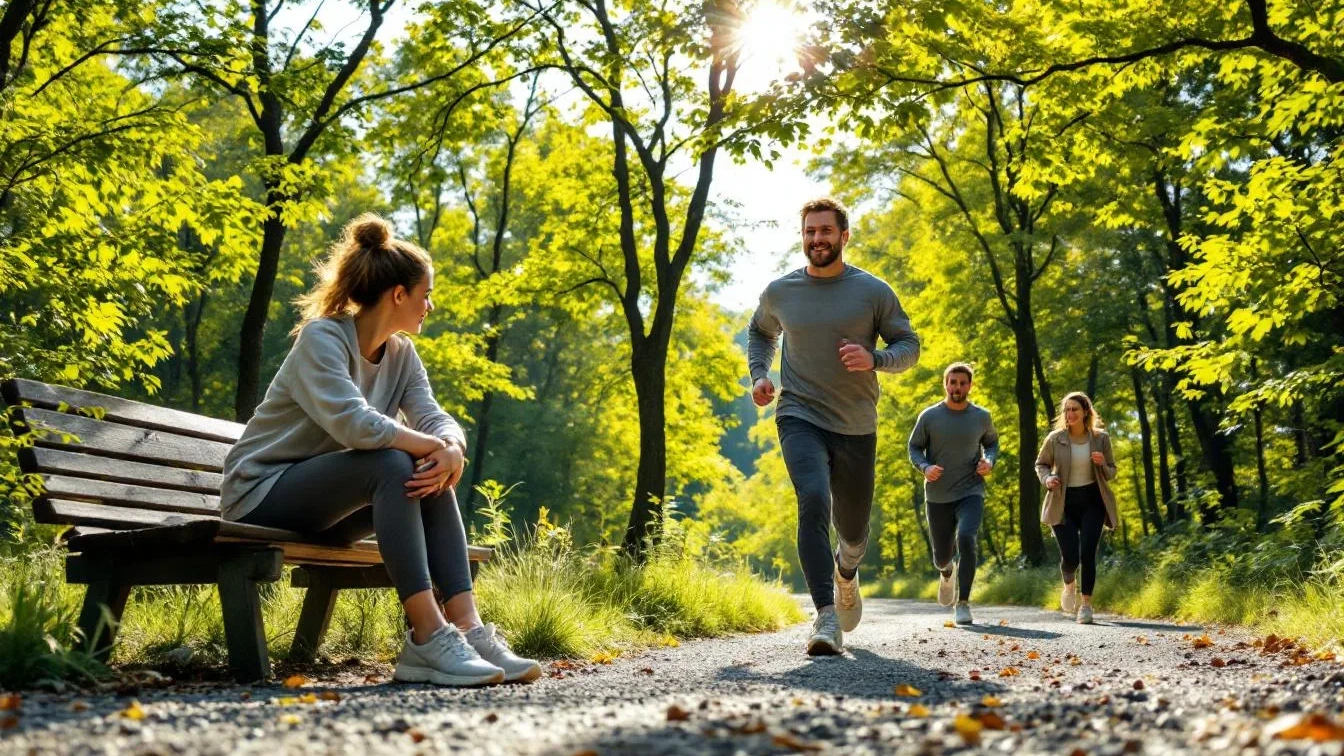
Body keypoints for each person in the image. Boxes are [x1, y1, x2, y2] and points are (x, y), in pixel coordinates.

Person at [220, 214, 540, 686]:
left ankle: (468, 628)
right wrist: (431, 445)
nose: (430, 305)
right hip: (263, 495)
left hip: (326, 505)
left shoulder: (402, 355)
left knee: (423, 464)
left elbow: (432, 415)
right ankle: (428, 637)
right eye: (425, 294)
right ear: (398, 295)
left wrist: (450, 446)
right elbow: (354, 423)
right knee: (397, 460)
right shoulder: (323, 338)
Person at [748, 197, 921, 655]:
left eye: (826, 231)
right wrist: (761, 375)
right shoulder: (780, 292)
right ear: (801, 237)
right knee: (812, 499)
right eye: (810, 231)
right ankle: (825, 617)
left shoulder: (872, 291)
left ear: (844, 237)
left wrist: (876, 359)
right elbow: (761, 332)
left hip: (856, 424)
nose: (817, 239)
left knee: (854, 531)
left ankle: (847, 573)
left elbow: (909, 345)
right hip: (799, 413)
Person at [907, 362, 999, 625]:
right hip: (938, 495)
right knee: (942, 557)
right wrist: (925, 467)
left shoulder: (982, 416)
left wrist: (989, 461)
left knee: (967, 537)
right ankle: (947, 573)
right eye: (953, 382)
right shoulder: (929, 417)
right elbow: (914, 448)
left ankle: (964, 603)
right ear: (945, 384)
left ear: (969, 386)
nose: (957, 387)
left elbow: (991, 443)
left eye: (962, 383)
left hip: (971, 490)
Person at [1035, 392, 1119, 625]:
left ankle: (1086, 606)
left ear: (1085, 412)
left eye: (1075, 410)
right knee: (1070, 557)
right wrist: (1048, 478)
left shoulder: (1100, 438)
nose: (1070, 414)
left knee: (1088, 553)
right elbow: (1041, 464)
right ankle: (1069, 582)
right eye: (1067, 410)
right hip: (1063, 502)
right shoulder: (1055, 438)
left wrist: (1102, 464)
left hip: (1093, 500)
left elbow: (1112, 472)